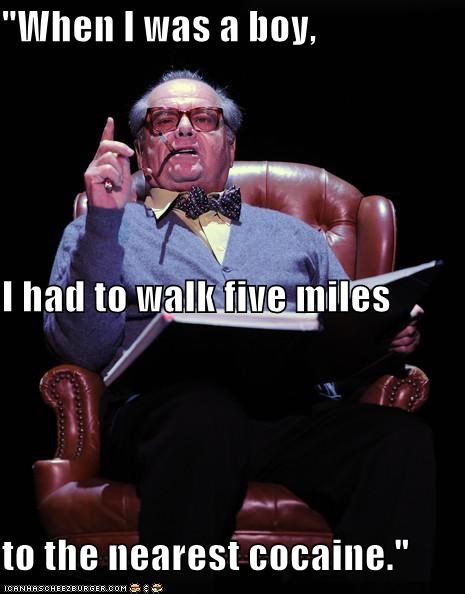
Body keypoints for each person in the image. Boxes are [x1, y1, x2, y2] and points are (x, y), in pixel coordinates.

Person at [44, 70, 434, 593]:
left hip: (284, 415)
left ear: (230, 148)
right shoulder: (99, 228)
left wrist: (384, 341)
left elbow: (342, 341)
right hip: (166, 419)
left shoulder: (297, 237)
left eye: (204, 119)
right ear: (142, 152)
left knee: (398, 441)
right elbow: (81, 347)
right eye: (164, 120)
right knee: (204, 412)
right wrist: (104, 224)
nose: (184, 129)